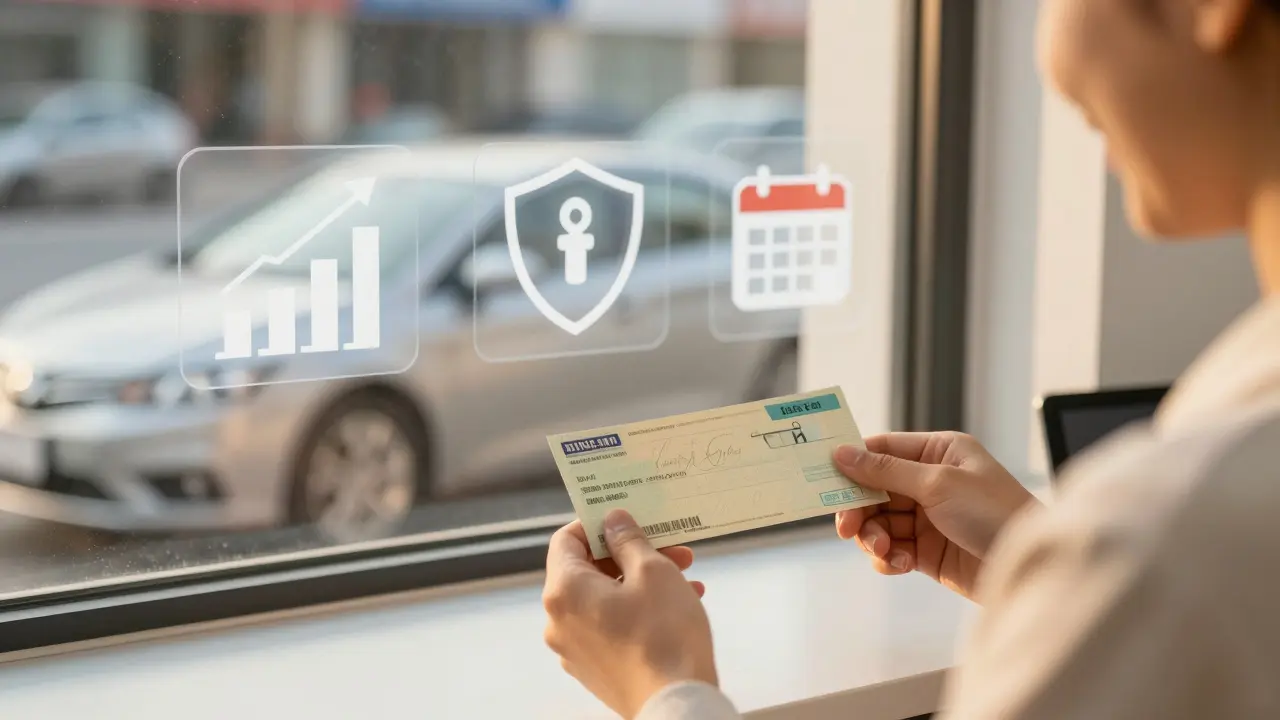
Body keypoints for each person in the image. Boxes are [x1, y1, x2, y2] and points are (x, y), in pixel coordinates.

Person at [541, 0, 1280, 717]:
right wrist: (1049, 571)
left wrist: (664, 687)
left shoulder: (1171, 542)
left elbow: (1181, 579)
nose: (1048, 58)